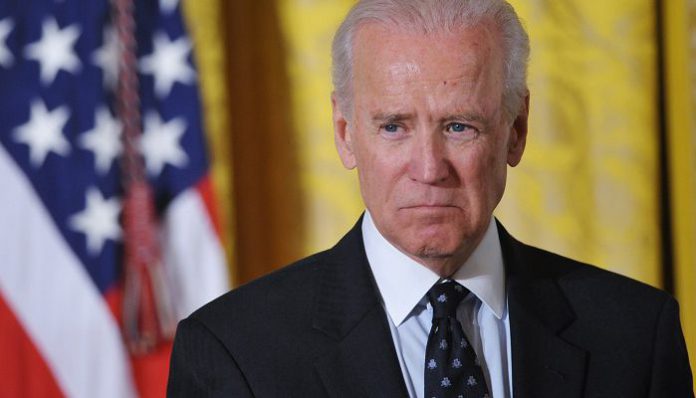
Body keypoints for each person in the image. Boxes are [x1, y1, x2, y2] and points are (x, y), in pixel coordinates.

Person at [167, 0, 694, 396]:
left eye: (459, 126)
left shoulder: (635, 337)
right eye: (394, 126)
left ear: (516, 130)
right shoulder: (232, 354)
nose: (428, 168)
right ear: (346, 132)